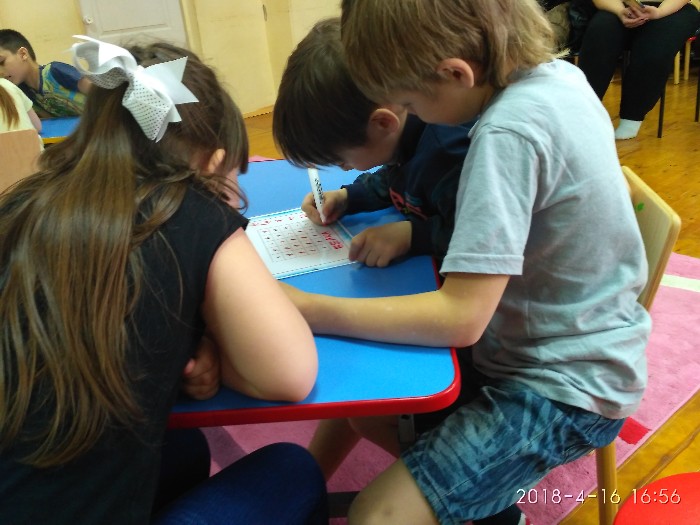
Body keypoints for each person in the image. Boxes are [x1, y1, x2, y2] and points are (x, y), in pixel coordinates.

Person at [281, 0, 653, 524]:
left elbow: (460, 318)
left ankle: (487, 510)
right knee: (368, 404)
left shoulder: (505, 134)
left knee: (376, 514)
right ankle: (479, 507)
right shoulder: (560, 76)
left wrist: (309, 309)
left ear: (456, 74)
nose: (409, 113)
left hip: (565, 383)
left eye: (409, 100)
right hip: (549, 340)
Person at [0, 36, 327, 525]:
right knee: (292, 471)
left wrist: (186, 344)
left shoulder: (19, 204)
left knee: (184, 446)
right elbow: (290, 374)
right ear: (213, 164)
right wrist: (215, 350)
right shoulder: (189, 210)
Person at [273, 17, 473, 269]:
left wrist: (412, 236)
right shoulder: (402, 136)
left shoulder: (448, 156)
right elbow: (395, 178)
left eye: (341, 159)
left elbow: (481, 235)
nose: (344, 168)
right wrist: (348, 197)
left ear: (382, 123)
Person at [577, 0, 700, 140]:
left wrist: (659, 12)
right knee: (600, 34)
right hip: (619, 6)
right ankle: (582, 111)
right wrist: (620, 11)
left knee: (655, 49)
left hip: (672, 9)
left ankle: (632, 117)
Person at [0, 29, 91, 117]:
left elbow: (98, 91)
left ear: (23, 54)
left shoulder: (55, 72)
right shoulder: (23, 92)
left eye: (1, 62)